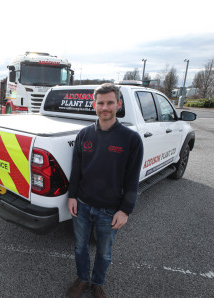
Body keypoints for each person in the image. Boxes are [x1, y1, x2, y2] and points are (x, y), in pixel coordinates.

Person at [66, 83, 143, 298]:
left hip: (110, 210)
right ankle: (82, 279)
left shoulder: (131, 139)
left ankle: (97, 283)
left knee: (104, 253)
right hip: (81, 205)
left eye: (110, 102)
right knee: (80, 247)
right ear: (94, 105)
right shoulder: (84, 135)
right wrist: (72, 196)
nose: (105, 107)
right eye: (101, 103)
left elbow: (132, 179)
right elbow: (77, 170)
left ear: (118, 104)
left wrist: (125, 210)